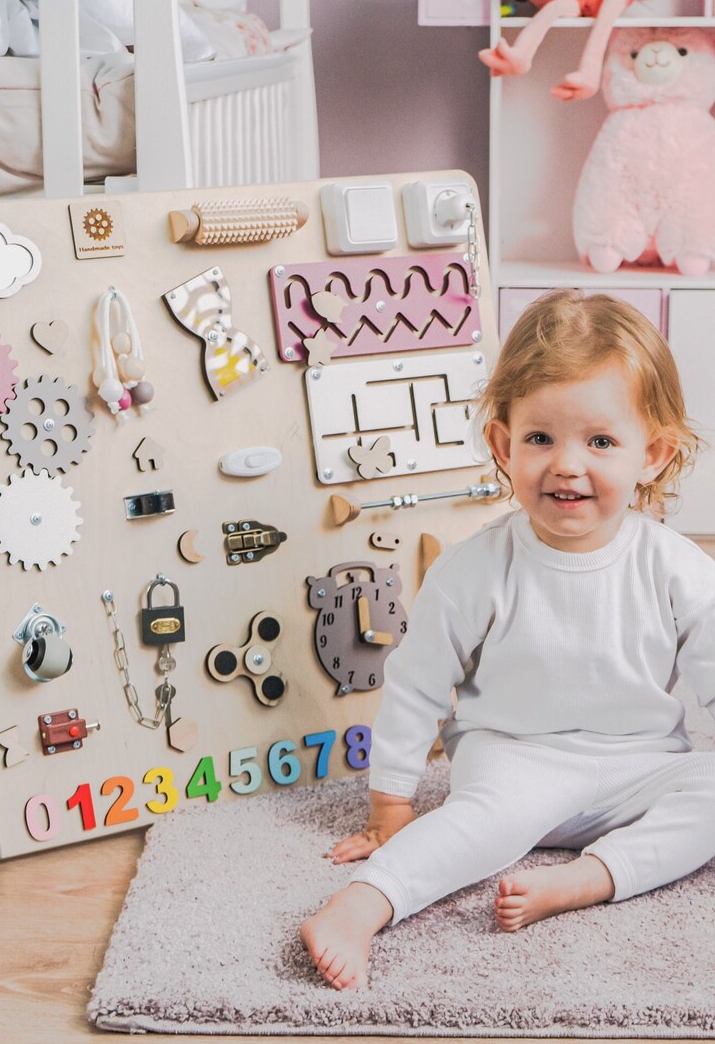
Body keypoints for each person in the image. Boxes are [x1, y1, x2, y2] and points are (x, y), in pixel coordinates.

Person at [300, 289, 715, 991]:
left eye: (602, 442)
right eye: (541, 438)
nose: (567, 465)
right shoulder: (474, 570)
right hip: (517, 763)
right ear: (503, 445)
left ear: (654, 454)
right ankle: (358, 907)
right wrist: (391, 803)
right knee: (480, 825)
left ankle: (591, 878)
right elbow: (416, 683)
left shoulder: (676, 567)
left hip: (638, 766)